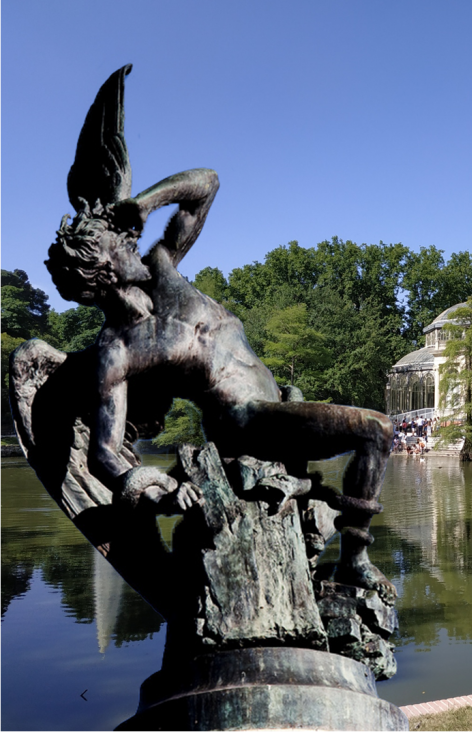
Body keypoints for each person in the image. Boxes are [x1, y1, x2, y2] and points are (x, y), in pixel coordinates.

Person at [44, 68, 395, 601]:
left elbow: (206, 182)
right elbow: (105, 453)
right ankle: (356, 560)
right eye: (119, 240)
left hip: (275, 402)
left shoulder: (164, 266)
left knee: (360, 447)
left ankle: (340, 557)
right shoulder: (117, 349)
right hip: (247, 422)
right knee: (377, 430)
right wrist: (160, 489)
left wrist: (145, 202)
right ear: (105, 266)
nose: (129, 238)